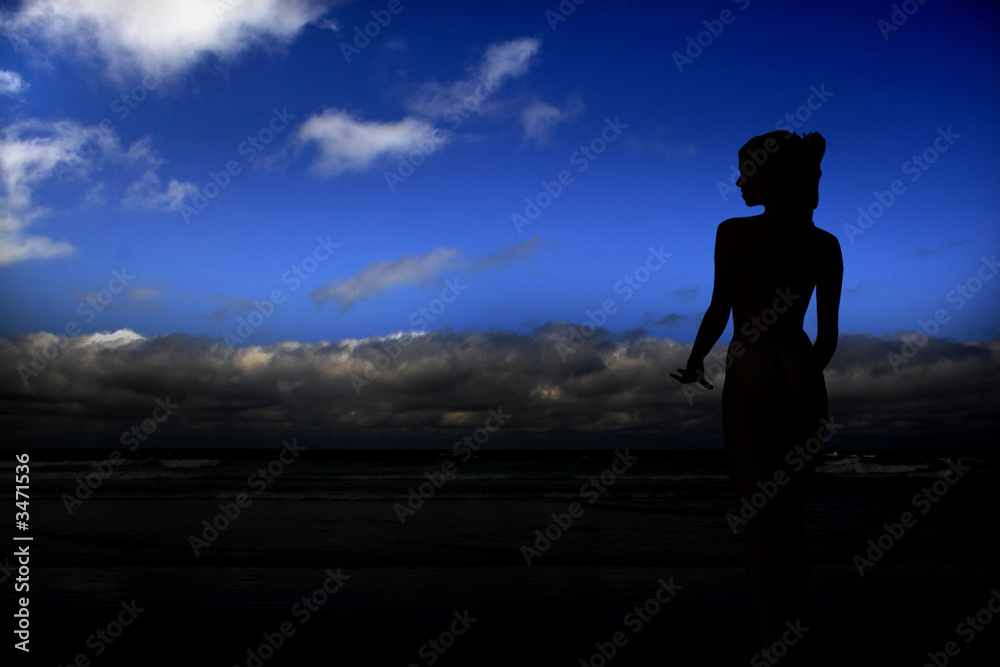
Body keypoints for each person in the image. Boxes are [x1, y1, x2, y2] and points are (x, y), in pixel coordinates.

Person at [671, 130, 843, 649]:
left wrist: (695, 359)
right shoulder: (825, 244)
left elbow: (721, 308)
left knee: (760, 524)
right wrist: (805, 375)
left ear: (771, 177)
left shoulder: (733, 232)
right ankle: (793, 633)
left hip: (752, 372)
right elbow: (828, 336)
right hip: (801, 370)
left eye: (746, 171)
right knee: (792, 522)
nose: (738, 180)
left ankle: (771, 646)